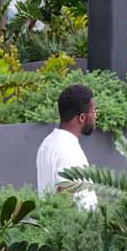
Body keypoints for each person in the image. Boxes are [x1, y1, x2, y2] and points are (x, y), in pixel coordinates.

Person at [36, 82, 99, 212]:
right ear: (82, 117)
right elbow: (64, 195)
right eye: (93, 111)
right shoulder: (67, 150)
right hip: (75, 230)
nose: (96, 116)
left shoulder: (48, 142)